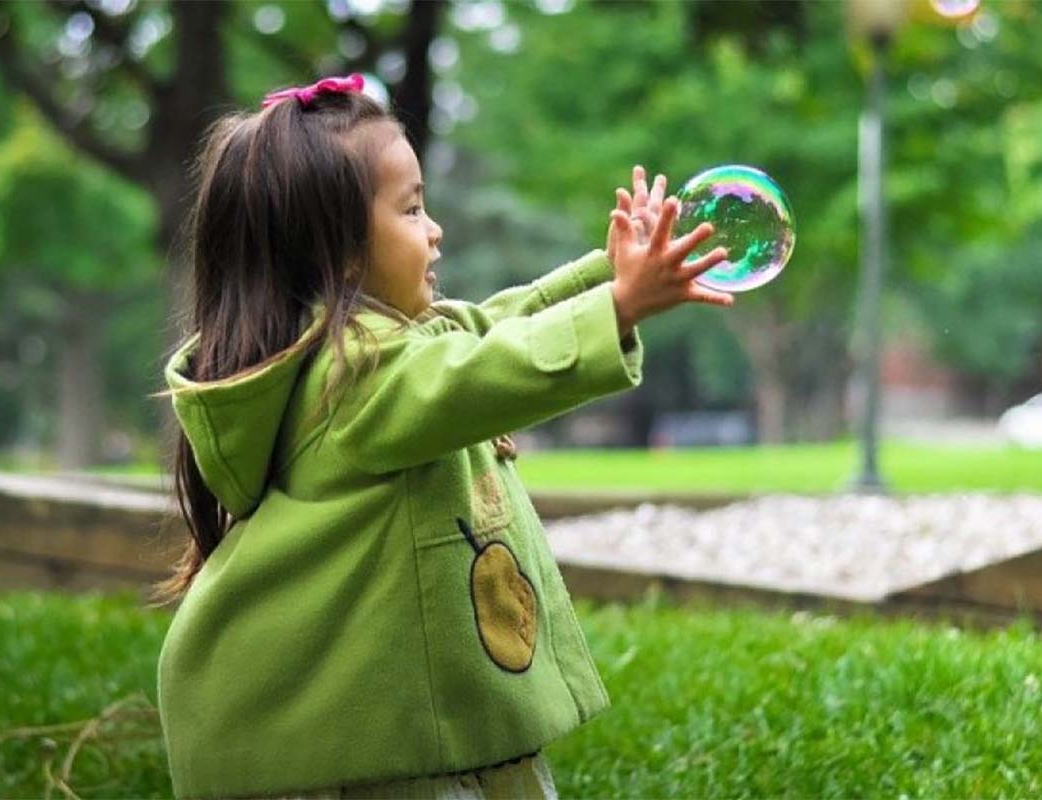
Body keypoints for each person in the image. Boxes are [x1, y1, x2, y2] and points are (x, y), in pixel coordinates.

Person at [149, 73, 732, 800]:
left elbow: (485, 327)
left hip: (407, 727)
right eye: (413, 208)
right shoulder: (352, 379)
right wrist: (615, 306)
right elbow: (484, 368)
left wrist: (608, 278)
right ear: (343, 253)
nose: (435, 228)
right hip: (369, 759)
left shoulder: (379, 349)